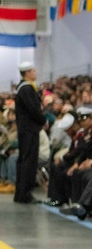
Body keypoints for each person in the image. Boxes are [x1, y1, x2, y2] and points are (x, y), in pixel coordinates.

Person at [14, 62, 46, 204]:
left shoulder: (23, 87)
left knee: (24, 160)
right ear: (27, 73)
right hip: (29, 130)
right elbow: (34, 109)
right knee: (29, 161)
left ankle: (21, 193)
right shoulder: (26, 88)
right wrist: (43, 120)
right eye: (33, 70)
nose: (35, 72)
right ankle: (25, 194)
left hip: (26, 129)